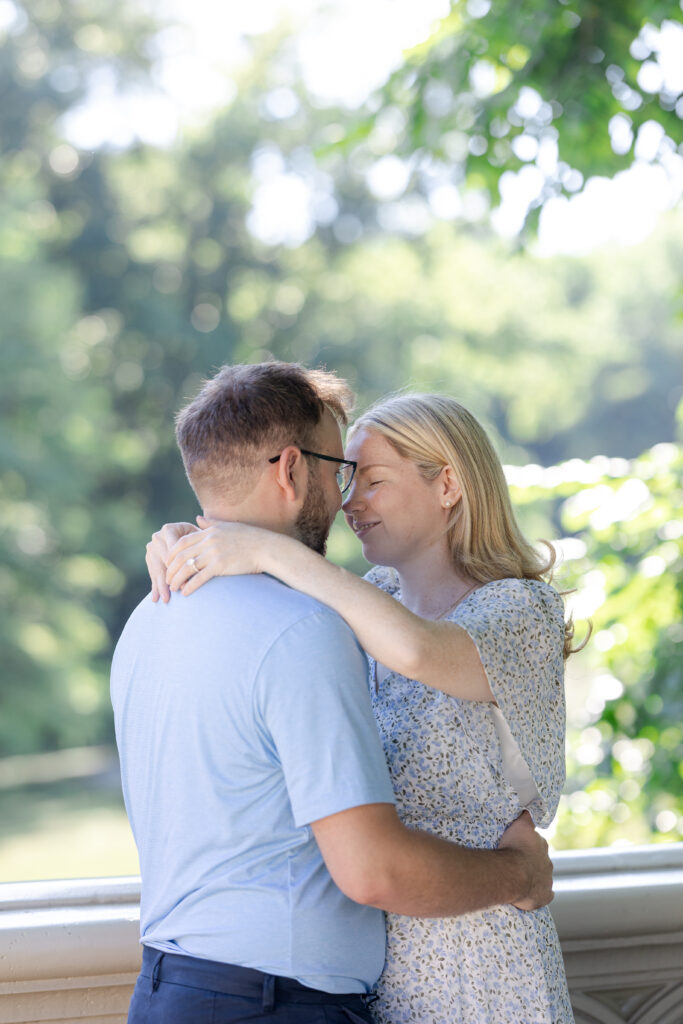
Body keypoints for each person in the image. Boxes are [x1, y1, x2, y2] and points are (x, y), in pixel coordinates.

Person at [116, 362, 554, 1024]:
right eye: (339, 471)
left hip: (472, 947)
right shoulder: (352, 603)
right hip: (355, 970)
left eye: (369, 480)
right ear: (294, 470)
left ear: (449, 487)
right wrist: (204, 537)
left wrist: (255, 546)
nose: (347, 498)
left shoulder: (518, 611)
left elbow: (416, 651)